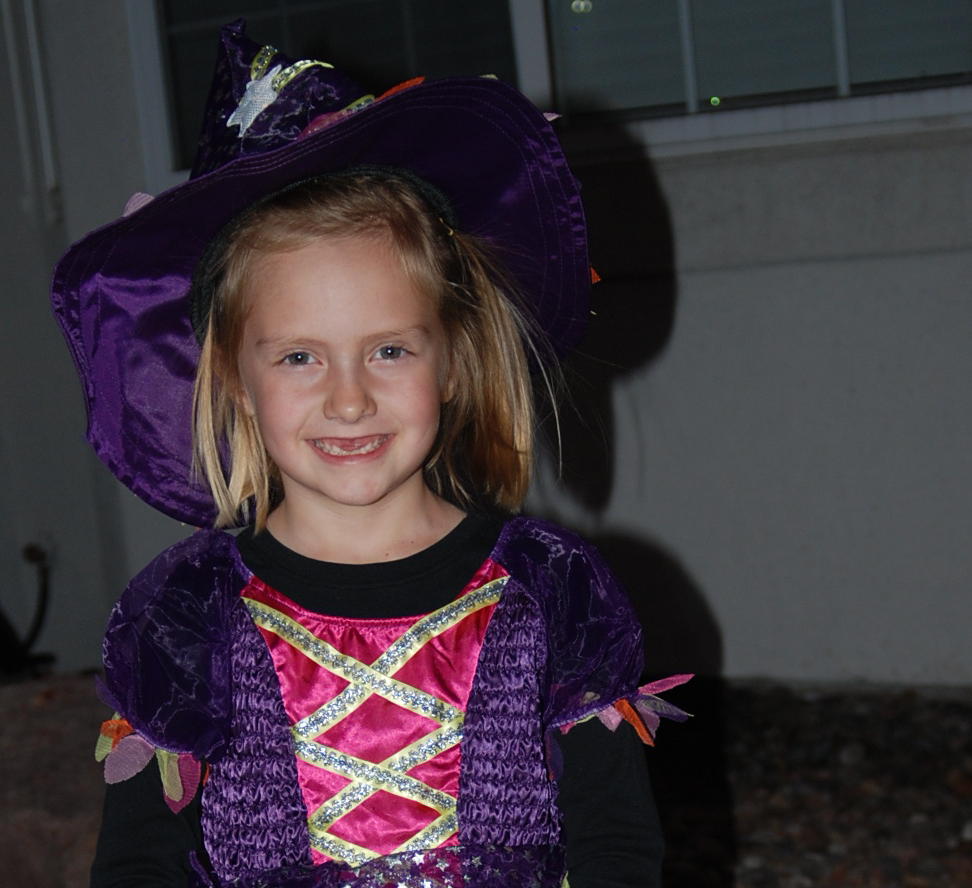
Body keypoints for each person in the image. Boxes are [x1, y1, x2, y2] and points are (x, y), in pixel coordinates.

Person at [52, 20, 690, 888]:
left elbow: (617, 844)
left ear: (453, 360)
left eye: (388, 350)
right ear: (234, 379)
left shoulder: (553, 591)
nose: (348, 399)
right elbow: (138, 862)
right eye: (299, 357)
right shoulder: (185, 613)